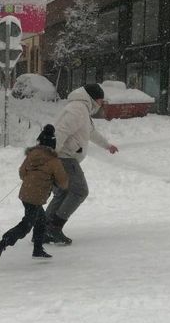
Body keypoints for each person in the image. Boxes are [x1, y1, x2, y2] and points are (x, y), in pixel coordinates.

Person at [44, 83, 118, 245]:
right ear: (92, 98)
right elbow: (61, 131)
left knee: (63, 193)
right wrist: (51, 155)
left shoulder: (82, 109)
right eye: (100, 100)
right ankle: (54, 227)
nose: (101, 103)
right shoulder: (78, 109)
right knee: (80, 191)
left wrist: (107, 145)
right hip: (65, 157)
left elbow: (90, 132)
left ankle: (44, 228)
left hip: (65, 156)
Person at [0, 124, 69, 263]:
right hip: (36, 196)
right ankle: (2, 243)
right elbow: (63, 182)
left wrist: (32, 179)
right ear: (53, 143)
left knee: (41, 221)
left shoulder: (31, 155)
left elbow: (22, 172)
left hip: (26, 193)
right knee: (27, 225)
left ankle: (38, 250)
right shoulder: (54, 160)